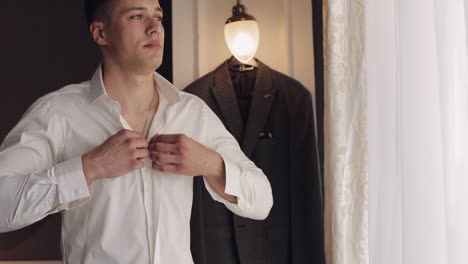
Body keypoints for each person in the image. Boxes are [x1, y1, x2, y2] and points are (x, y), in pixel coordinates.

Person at [0, 0, 273, 263]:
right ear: (100, 33)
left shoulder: (192, 113)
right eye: (136, 16)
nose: (154, 27)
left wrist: (209, 163)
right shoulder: (57, 112)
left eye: (158, 16)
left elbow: (262, 200)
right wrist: (88, 169)